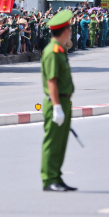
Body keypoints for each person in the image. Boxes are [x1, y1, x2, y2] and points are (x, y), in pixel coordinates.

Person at [40, 10, 76, 192]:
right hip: (56, 102)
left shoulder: (60, 50)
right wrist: (56, 107)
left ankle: (57, 176)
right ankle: (49, 178)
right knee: (53, 142)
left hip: (63, 102)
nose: (70, 32)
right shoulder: (52, 52)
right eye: (69, 29)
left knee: (61, 143)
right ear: (64, 31)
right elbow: (52, 81)